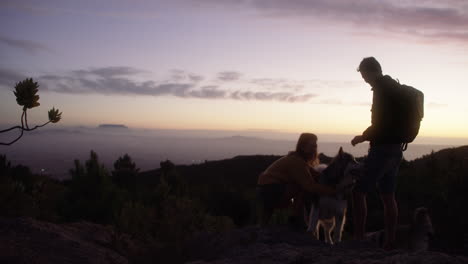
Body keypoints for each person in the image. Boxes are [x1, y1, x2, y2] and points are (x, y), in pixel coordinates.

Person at [351, 57, 404, 250]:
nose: (364, 79)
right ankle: (390, 240)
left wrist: (362, 137)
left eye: (364, 75)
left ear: (373, 71)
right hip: (397, 148)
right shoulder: (395, 88)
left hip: (382, 148)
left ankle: (358, 239)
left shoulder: (382, 90)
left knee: (358, 192)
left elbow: (380, 123)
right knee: (388, 195)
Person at [257, 133, 336, 227]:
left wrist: (333, 179)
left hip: (265, 190)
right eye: (312, 146)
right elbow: (310, 186)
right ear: (302, 147)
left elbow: (315, 174)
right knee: (302, 187)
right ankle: (297, 221)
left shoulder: (298, 160)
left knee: (301, 185)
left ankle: (264, 226)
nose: (314, 149)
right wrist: (333, 191)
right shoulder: (297, 162)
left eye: (315, 146)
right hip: (271, 190)